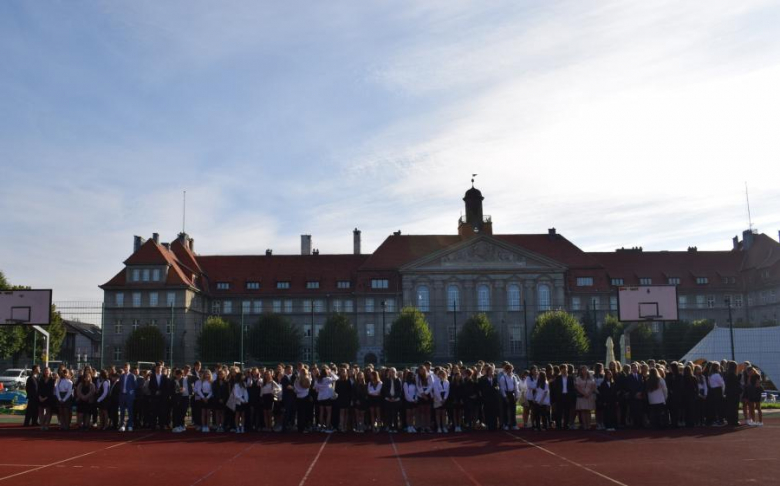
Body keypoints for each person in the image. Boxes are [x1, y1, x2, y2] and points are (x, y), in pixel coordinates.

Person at [551, 364, 574, 430]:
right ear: (560, 370)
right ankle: (559, 425)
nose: (564, 370)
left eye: (566, 368)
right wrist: (554, 398)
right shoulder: (557, 378)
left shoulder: (570, 378)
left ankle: (566, 425)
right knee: (559, 412)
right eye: (563, 369)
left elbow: (572, 388)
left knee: (567, 411)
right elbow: (554, 389)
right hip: (560, 397)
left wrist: (571, 396)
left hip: (567, 396)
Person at [315, 366, 337, 433]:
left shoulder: (318, 380)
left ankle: (321, 427)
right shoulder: (327, 379)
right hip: (327, 397)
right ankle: (327, 427)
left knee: (321, 412)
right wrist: (331, 372)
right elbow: (336, 378)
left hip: (320, 398)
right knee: (328, 413)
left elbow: (316, 390)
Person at [479, 365, 501, 431]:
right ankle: (488, 425)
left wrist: (496, 388)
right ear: (487, 372)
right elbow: (481, 389)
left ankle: (494, 425)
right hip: (486, 398)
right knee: (487, 412)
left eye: (492, 371)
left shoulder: (495, 378)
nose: (491, 372)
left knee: (494, 412)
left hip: (494, 398)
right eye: (490, 371)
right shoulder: (482, 379)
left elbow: (497, 387)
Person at [498, 363, 519, 431]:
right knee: (505, 410)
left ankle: (513, 424)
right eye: (509, 369)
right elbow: (502, 388)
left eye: (511, 369)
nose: (510, 370)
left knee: (513, 410)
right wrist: (505, 397)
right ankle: (505, 424)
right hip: (506, 394)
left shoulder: (514, 377)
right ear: (506, 370)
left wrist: (516, 396)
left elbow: (516, 388)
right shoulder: (503, 378)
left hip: (512, 394)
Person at [382, 367, 403, 433]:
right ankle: (390, 427)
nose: (392, 373)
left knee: (395, 414)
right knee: (389, 414)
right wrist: (390, 397)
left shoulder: (398, 380)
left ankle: (395, 428)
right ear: (389, 373)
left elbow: (399, 390)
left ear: (395, 372)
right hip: (388, 400)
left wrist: (394, 397)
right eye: (391, 371)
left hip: (396, 400)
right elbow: (385, 390)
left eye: (393, 371)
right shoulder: (386, 380)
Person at [575, 365, 596, 430]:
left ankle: (589, 425)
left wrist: (588, 394)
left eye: (585, 369)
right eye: (583, 370)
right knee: (583, 411)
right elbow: (577, 387)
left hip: (589, 396)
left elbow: (593, 386)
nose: (584, 371)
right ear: (581, 371)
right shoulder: (578, 378)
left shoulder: (591, 377)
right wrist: (584, 394)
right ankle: (584, 425)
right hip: (582, 396)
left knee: (588, 411)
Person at [335, 367, 353, 433]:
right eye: (342, 372)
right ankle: (342, 426)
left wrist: (351, 400)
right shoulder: (338, 381)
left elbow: (350, 391)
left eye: (344, 372)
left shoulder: (348, 381)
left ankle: (345, 426)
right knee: (342, 412)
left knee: (346, 413)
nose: (343, 373)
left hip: (347, 398)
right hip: (340, 398)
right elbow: (336, 390)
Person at [416, 366, 433, 433]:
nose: (422, 371)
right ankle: (422, 427)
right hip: (421, 395)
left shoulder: (429, 376)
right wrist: (422, 394)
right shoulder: (417, 376)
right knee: (422, 412)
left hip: (428, 394)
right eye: (420, 370)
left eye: (423, 370)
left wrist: (426, 393)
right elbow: (418, 386)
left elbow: (431, 385)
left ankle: (428, 426)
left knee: (428, 412)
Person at [432, 369, 450, 433]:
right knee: (438, 413)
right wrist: (440, 399)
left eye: (443, 374)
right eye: (440, 374)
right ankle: (439, 427)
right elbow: (436, 391)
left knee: (444, 414)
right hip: (438, 398)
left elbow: (447, 391)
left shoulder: (447, 381)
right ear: (438, 375)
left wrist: (444, 399)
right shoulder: (435, 382)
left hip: (445, 398)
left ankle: (444, 427)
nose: (442, 375)